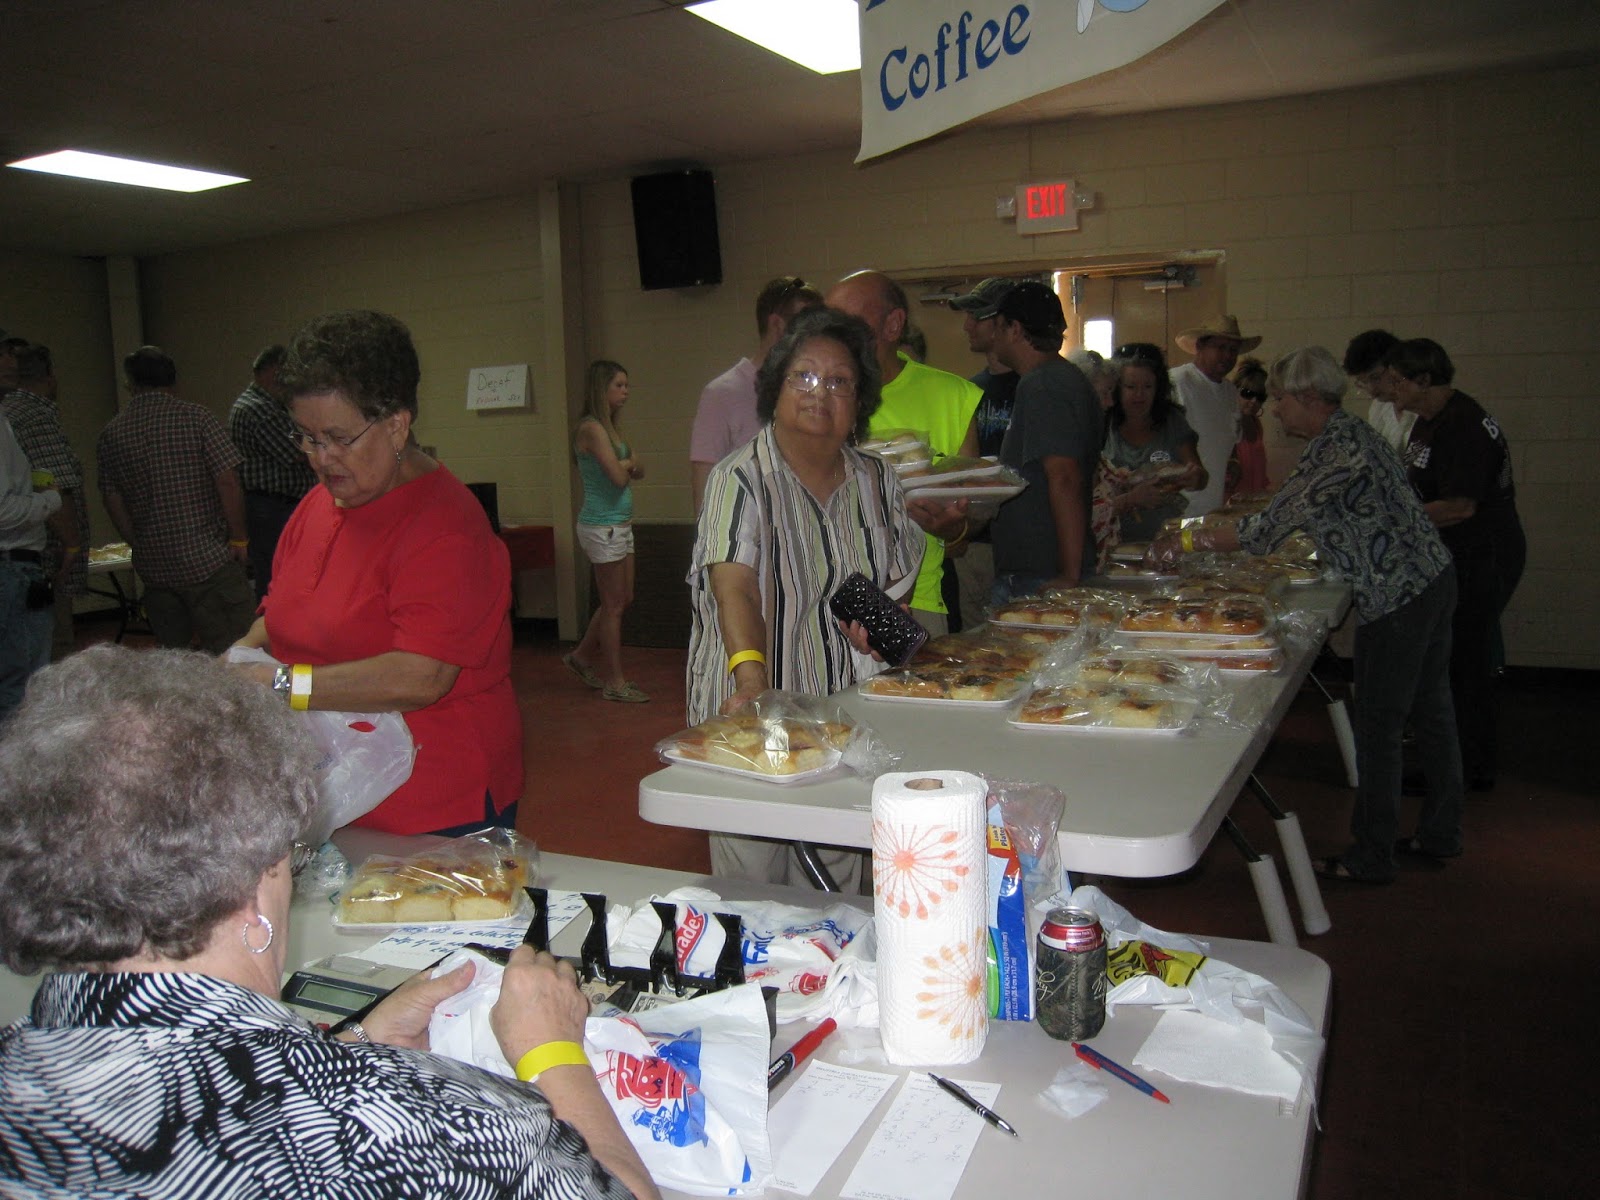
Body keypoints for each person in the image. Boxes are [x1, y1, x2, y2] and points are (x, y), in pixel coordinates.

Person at [0, 645, 657, 1200]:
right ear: (252, 894)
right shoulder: (425, 1132)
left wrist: (358, 1043)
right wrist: (552, 1051)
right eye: (292, 857)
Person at [1149, 346, 1462, 884]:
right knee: (1431, 711)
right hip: (1429, 578)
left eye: (1280, 399)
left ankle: (1372, 856)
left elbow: (1266, 529)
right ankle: (1441, 831)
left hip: (1399, 596)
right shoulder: (1348, 435)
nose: (1274, 409)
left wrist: (1188, 540)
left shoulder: (1337, 448)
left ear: (1309, 397)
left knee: (1380, 727)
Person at [232, 310, 523, 836]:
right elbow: (278, 618)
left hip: (432, 798)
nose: (321, 458)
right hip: (332, 783)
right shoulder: (319, 505)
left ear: (396, 426)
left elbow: (419, 678)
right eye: (307, 437)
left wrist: (279, 683)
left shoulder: (446, 528)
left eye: (338, 438)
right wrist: (234, 662)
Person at [687, 307, 923, 887]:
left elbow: (897, 578)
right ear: (776, 388)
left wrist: (884, 631)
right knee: (752, 883)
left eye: (840, 382)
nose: (820, 393)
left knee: (836, 880)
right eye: (805, 376)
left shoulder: (878, 479)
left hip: (840, 710)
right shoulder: (738, 478)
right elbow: (735, 588)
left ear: (860, 400)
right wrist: (751, 680)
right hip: (750, 709)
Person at [1384, 337, 1526, 791]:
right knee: (1450, 661)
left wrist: (1390, 519)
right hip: (1454, 555)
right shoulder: (1430, 421)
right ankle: (1450, 759)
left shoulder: (1463, 425)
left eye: (1398, 382)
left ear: (1424, 379)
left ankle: (1464, 769)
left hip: (1481, 555)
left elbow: (1460, 506)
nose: (1391, 390)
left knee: (1465, 663)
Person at [826, 270, 979, 637]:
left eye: (849, 323)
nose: (835, 336)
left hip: (912, 602)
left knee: (913, 676)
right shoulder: (814, 400)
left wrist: (951, 529)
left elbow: (964, 533)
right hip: (821, 599)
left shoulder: (953, 397)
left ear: (893, 324)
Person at [96, 345, 257, 652]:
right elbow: (227, 481)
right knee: (237, 652)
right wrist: (239, 538)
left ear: (131, 383)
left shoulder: (113, 433)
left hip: (155, 567)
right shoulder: (197, 419)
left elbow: (112, 498)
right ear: (173, 380)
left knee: (173, 658)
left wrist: (137, 541)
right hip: (208, 560)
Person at [986, 282, 1102, 600]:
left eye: (998, 327)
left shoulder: (1045, 383)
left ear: (1015, 330)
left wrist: (1069, 574)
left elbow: (1064, 475)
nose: (994, 337)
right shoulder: (1057, 379)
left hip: (1041, 574)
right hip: (1037, 570)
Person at [689, 276, 823, 515]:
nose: (817, 338)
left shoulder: (813, 390)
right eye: (808, 326)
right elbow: (705, 493)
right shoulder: (721, 394)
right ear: (777, 324)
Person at [565, 360, 649, 704]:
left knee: (622, 599)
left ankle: (582, 656)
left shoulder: (611, 428)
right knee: (613, 606)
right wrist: (626, 465)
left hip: (619, 524)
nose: (626, 392)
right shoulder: (591, 429)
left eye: (627, 385)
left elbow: (638, 469)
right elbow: (618, 477)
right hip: (602, 526)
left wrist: (626, 465)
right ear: (602, 388)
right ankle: (614, 681)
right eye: (619, 385)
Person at [1, 343, 89, 659]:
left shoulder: (7, 413)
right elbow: (56, 483)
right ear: (50, 377)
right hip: (32, 560)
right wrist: (72, 546)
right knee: (48, 656)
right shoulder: (36, 415)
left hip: (16, 559)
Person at [948, 277, 1018, 628]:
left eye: (977, 316)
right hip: (976, 543)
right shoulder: (969, 390)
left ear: (1004, 323)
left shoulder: (1031, 386)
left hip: (1021, 545)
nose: (967, 325)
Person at [229, 343, 318, 600]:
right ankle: (273, 624)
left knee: (287, 573)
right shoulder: (258, 408)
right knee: (276, 577)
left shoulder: (270, 405)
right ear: (274, 371)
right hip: (271, 508)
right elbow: (301, 452)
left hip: (279, 506)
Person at [1, 415, 73, 721]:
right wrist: (51, 500)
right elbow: (3, 511)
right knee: (24, 688)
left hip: (16, 566)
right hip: (12, 567)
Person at [1102, 343, 1206, 544]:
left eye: (1147, 387)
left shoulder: (1172, 420)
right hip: (1113, 540)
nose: (1139, 395)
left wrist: (1194, 477)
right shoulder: (1103, 423)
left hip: (1164, 538)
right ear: (1117, 388)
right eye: (1131, 387)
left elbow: (1200, 476)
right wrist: (1130, 497)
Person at [1169, 315, 1261, 516]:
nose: (1227, 356)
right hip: (1178, 507)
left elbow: (1229, 438)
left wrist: (1233, 462)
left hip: (1211, 505)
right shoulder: (1177, 382)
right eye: (1220, 348)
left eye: (1233, 350)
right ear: (1200, 346)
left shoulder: (1230, 392)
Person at [1342, 328, 1412, 455]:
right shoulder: (1378, 407)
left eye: (1375, 377)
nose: (1371, 389)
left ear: (1396, 366)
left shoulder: (1420, 407)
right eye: (1363, 382)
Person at [1226, 355, 1271, 498]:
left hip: (1252, 502)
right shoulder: (1226, 423)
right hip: (1228, 502)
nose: (1254, 401)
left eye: (1260, 397)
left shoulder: (1256, 424)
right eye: (1248, 393)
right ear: (1235, 390)